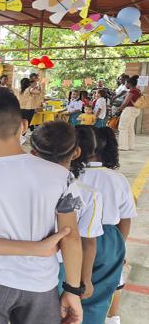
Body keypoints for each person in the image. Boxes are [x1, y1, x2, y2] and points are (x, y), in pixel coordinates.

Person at [0, 88, 83, 324]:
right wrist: (72, 291)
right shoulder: (61, 176)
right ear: (23, 125)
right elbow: (70, 238)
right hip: (41, 284)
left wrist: (37, 248)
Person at [29, 121, 104, 303]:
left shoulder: (21, 186)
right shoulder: (88, 194)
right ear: (76, 152)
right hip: (63, 266)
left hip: (21, 264)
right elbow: (86, 242)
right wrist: (81, 280)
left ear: (33, 154)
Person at [70, 126, 137, 324]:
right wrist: (119, 249)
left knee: (71, 288)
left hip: (73, 238)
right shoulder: (117, 179)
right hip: (109, 239)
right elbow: (125, 218)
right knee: (98, 296)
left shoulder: (70, 176)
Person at [117, 75, 141, 151]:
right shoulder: (138, 91)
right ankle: (130, 145)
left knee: (123, 127)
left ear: (129, 84)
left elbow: (125, 103)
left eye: (126, 83)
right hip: (135, 110)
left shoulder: (132, 91)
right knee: (130, 128)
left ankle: (123, 146)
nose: (125, 85)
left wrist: (119, 109)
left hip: (129, 110)